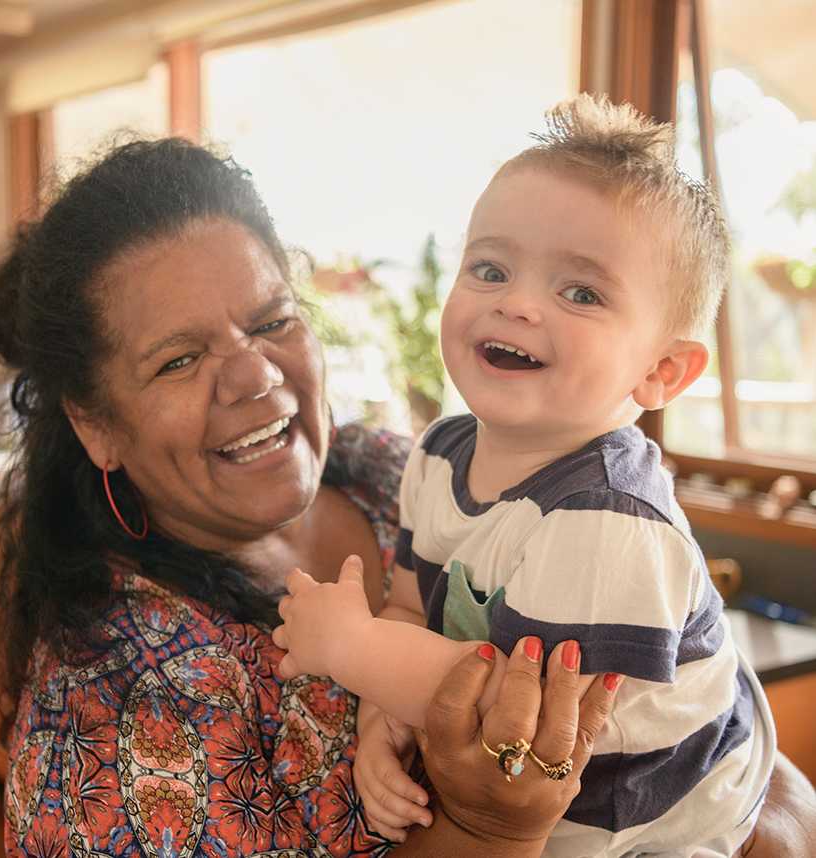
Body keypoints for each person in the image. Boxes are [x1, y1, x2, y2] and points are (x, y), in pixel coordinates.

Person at [0, 136, 812, 858]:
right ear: (96, 425)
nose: (256, 376)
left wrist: (773, 801)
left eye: (271, 322)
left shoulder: (386, 468)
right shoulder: (111, 718)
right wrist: (484, 824)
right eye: (177, 360)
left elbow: (682, 717)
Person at [274, 95, 776, 857]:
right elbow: (415, 610)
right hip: (535, 781)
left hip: (668, 805)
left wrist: (349, 648)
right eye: (491, 268)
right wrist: (382, 723)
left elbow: (523, 710)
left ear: (661, 371)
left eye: (581, 292)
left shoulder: (606, 513)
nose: (516, 304)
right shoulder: (440, 452)